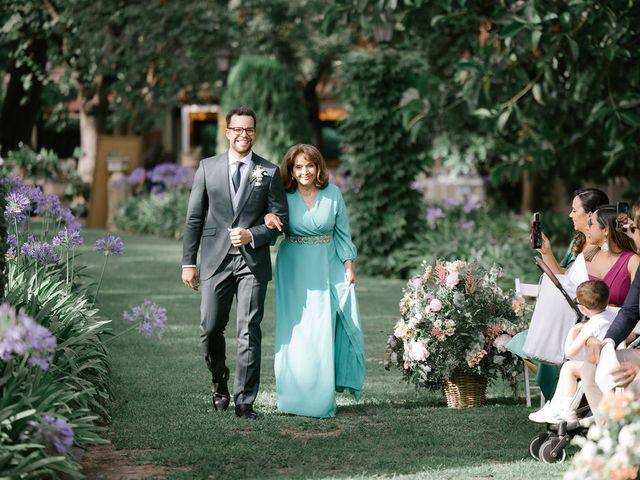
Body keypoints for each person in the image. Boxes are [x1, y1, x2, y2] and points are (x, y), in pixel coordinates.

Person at [181, 106, 288, 420]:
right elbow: (194, 218)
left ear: (255, 132)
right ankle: (219, 378)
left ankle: (244, 402)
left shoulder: (269, 172)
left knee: (248, 331)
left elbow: (280, 220)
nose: (244, 134)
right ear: (227, 132)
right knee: (210, 327)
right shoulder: (207, 168)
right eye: (238, 129)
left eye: (250, 129)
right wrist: (189, 262)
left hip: (252, 264)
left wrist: (252, 234)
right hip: (214, 261)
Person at [264, 144, 365, 418]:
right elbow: (270, 232)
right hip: (293, 267)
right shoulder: (283, 196)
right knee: (294, 331)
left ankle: (320, 401)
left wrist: (348, 265)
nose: (304, 171)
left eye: (309, 165)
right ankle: (292, 398)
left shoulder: (333, 195)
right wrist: (269, 218)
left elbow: (343, 234)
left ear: (318, 167)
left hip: (327, 264)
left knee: (321, 330)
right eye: (298, 167)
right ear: (291, 170)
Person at [508, 188, 609, 399]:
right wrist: (546, 252)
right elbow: (562, 276)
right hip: (568, 308)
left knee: (541, 347)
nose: (570, 215)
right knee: (521, 342)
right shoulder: (577, 243)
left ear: (591, 215)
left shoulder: (603, 249)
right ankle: (561, 389)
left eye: (574, 210)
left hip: (580, 313)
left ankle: (562, 393)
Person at [528, 280, 615, 423]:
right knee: (571, 367)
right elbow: (630, 335)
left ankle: (566, 410)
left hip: (600, 369)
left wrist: (574, 329)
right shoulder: (614, 317)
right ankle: (555, 407)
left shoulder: (591, 325)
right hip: (612, 364)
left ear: (581, 309)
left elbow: (569, 352)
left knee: (568, 367)